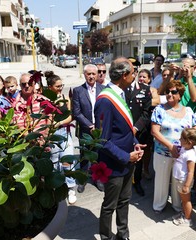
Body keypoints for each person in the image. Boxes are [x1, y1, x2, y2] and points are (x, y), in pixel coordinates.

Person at [94, 57, 146, 240]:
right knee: (110, 205)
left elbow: (123, 128)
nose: (135, 76)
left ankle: (123, 235)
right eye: (133, 73)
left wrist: (134, 142)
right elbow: (102, 140)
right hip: (114, 164)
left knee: (124, 201)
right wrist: (126, 156)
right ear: (124, 75)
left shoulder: (122, 93)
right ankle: (106, 237)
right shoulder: (105, 100)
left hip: (127, 159)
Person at [151, 80, 196, 214]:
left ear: (180, 95)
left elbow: (193, 131)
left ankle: (177, 206)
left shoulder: (188, 111)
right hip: (162, 153)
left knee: (178, 180)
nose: (170, 94)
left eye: (174, 92)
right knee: (161, 181)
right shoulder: (159, 109)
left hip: (182, 156)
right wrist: (170, 146)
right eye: (168, 92)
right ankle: (159, 205)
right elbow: (154, 131)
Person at [45, 70, 77, 205]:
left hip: (64, 132)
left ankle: (70, 188)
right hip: (52, 134)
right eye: (58, 86)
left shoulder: (65, 98)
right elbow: (46, 119)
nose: (60, 88)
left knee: (68, 162)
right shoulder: (45, 100)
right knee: (54, 163)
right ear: (50, 87)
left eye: (61, 85)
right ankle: (58, 188)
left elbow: (70, 116)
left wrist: (59, 123)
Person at [72, 64, 105, 193]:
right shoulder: (78, 91)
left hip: (100, 129)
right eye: (88, 74)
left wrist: (99, 126)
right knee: (84, 155)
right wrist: (89, 125)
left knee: (98, 155)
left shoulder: (103, 89)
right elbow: (77, 112)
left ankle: (98, 179)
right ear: (84, 74)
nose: (91, 76)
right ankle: (82, 180)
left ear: (97, 75)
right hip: (86, 130)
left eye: (93, 74)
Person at [125, 63, 152, 196]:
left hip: (139, 131)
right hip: (123, 131)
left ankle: (137, 182)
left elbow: (146, 113)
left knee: (138, 158)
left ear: (134, 73)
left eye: (131, 72)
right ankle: (125, 182)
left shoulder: (145, 89)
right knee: (124, 157)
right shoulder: (119, 89)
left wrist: (136, 127)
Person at [172, 128, 196, 227]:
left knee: (186, 200)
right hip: (179, 179)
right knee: (183, 200)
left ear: (189, 142)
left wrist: (186, 185)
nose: (179, 139)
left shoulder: (190, 155)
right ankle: (185, 214)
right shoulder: (184, 148)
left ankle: (188, 219)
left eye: (182, 138)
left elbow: (191, 172)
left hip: (184, 181)